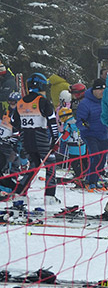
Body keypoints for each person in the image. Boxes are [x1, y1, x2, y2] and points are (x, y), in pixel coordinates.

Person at [9, 73, 60, 208]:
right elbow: (52, 121)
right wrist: (55, 139)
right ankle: (49, 196)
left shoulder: (20, 102)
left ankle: (20, 193)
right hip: (40, 136)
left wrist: (22, 129)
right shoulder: (43, 101)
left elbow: (13, 121)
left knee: (34, 164)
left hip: (26, 137)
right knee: (50, 164)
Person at [76, 79, 108, 190]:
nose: (102, 92)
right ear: (94, 90)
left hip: (103, 134)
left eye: (104, 89)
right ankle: (90, 181)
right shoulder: (85, 103)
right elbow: (79, 121)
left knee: (102, 159)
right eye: (99, 89)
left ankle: (96, 179)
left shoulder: (105, 101)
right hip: (90, 134)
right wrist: (85, 125)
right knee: (95, 157)